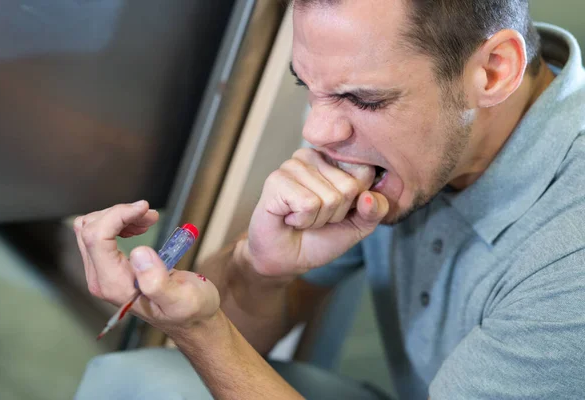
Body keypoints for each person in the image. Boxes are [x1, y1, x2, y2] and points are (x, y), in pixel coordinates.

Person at [73, 0, 585, 399]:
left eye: (363, 99)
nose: (317, 131)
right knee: (144, 385)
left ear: (493, 71)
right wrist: (259, 268)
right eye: (310, 88)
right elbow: (244, 339)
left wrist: (203, 331)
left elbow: (219, 347)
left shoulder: (572, 251)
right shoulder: (394, 147)